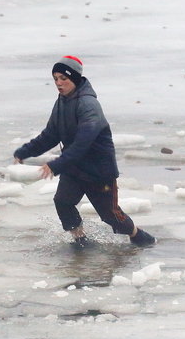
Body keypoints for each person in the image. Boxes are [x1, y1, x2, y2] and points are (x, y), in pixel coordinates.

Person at [14, 55, 155, 249]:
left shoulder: (89, 105)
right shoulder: (61, 102)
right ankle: (80, 240)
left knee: (111, 216)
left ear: (75, 79)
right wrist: (24, 151)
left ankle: (138, 236)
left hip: (98, 172)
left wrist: (56, 165)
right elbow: (51, 135)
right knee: (63, 202)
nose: (58, 83)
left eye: (63, 78)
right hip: (74, 169)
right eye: (55, 78)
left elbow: (83, 144)